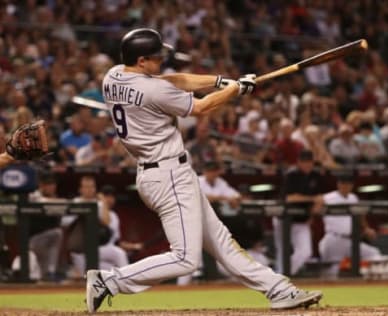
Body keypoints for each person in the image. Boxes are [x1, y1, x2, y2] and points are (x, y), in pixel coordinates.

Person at [86, 28, 321, 313]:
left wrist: (221, 81)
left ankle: (278, 289)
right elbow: (200, 108)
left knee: (220, 241)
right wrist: (233, 91)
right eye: (156, 57)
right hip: (168, 175)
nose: (162, 61)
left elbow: (172, 81)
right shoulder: (152, 89)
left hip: (161, 173)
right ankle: (109, 281)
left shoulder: (113, 75)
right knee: (186, 259)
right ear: (141, 61)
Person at [317, 174, 382, 277]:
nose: (345, 186)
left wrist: (366, 229)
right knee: (331, 272)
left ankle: (369, 282)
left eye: (348, 184)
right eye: (343, 183)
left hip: (351, 240)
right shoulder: (328, 198)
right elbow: (314, 208)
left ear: (352, 185)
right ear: (338, 184)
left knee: (373, 254)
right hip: (334, 239)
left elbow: (360, 215)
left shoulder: (353, 198)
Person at [273, 150, 321, 276]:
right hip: (284, 219)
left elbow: (319, 197)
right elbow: (290, 198)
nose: (307, 164)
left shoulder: (316, 176)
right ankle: (281, 277)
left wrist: (317, 204)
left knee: (306, 252)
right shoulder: (292, 174)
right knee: (282, 251)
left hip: (301, 221)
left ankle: (283, 276)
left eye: (309, 162)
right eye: (304, 162)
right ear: (298, 162)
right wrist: (312, 199)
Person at [28, 171, 65, 281]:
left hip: (47, 243)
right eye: (48, 184)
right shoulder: (33, 195)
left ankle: (50, 272)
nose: (52, 187)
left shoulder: (55, 198)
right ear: (41, 185)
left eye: (53, 184)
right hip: (32, 242)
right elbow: (41, 201)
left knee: (42, 276)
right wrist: (61, 201)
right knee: (57, 233)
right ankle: (50, 271)